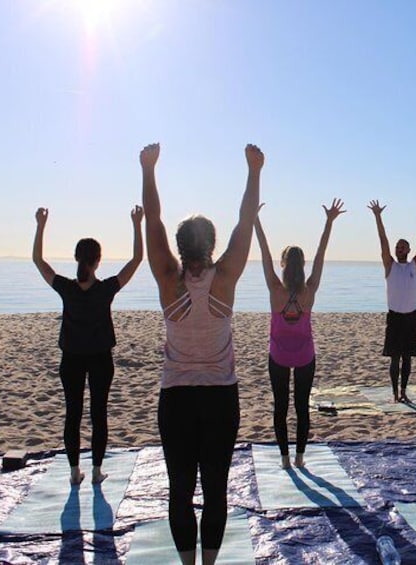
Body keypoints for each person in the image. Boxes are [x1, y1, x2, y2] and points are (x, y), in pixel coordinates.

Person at [139, 142, 261, 565]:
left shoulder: (167, 278)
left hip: (176, 399)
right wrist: (253, 169)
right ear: (210, 243)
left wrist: (148, 169)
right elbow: (246, 220)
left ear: (179, 245)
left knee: (180, 489)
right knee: (215, 488)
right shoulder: (225, 277)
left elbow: (152, 218)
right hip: (219, 398)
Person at [32, 204, 144, 486]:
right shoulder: (105, 289)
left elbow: (38, 260)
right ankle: (95, 471)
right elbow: (137, 259)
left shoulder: (66, 288)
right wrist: (137, 224)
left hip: (71, 359)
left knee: (73, 413)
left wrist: (40, 225)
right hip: (100, 360)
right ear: (98, 261)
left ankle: (74, 472)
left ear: (76, 258)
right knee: (98, 413)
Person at [254, 199, 345, 470]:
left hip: (278, 356)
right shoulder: (310, 289)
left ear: (282, 264)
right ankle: (300, 458)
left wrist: (256, 221)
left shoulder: (274, 288)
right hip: (305, 356)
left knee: (280, 407)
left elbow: (263, 250)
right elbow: (321, 254)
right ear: (302, 264)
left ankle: (285, 459)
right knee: (302, 407)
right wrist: (329, 223)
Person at [368, 199, 416, 402]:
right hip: (394, 317)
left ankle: (403, 391)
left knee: (407, 357)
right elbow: (382, 241)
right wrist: (378, 216)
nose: (400, 249)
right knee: (394, 358)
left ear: (408, 251)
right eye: (398, 247)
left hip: (411, 317)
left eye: (403, 247)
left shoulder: (414, 266)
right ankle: (394, 393)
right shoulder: (389, 265)